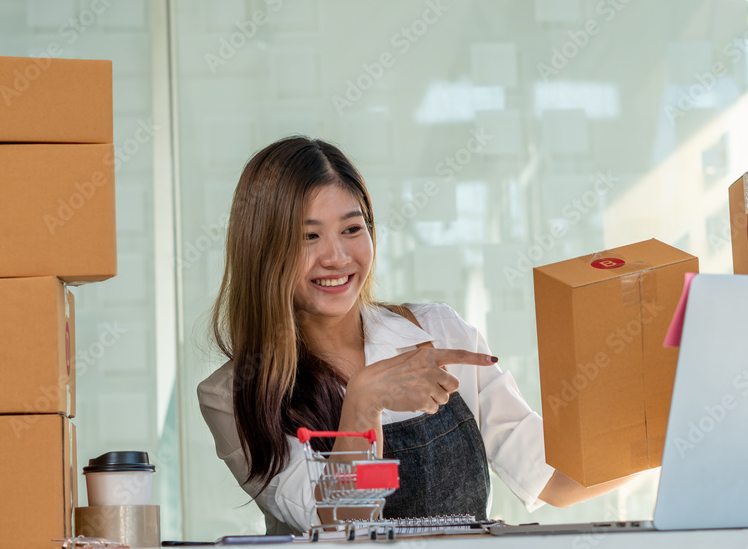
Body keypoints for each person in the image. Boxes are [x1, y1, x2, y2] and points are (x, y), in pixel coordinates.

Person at [198, 136, 629, 535]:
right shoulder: (234, 395)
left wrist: (667, 426)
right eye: (308, 237)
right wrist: (363, 402)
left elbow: (554, 477)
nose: (337, 256)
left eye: (352, 229)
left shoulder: (437, 331)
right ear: (262, 249)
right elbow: (341, 525)